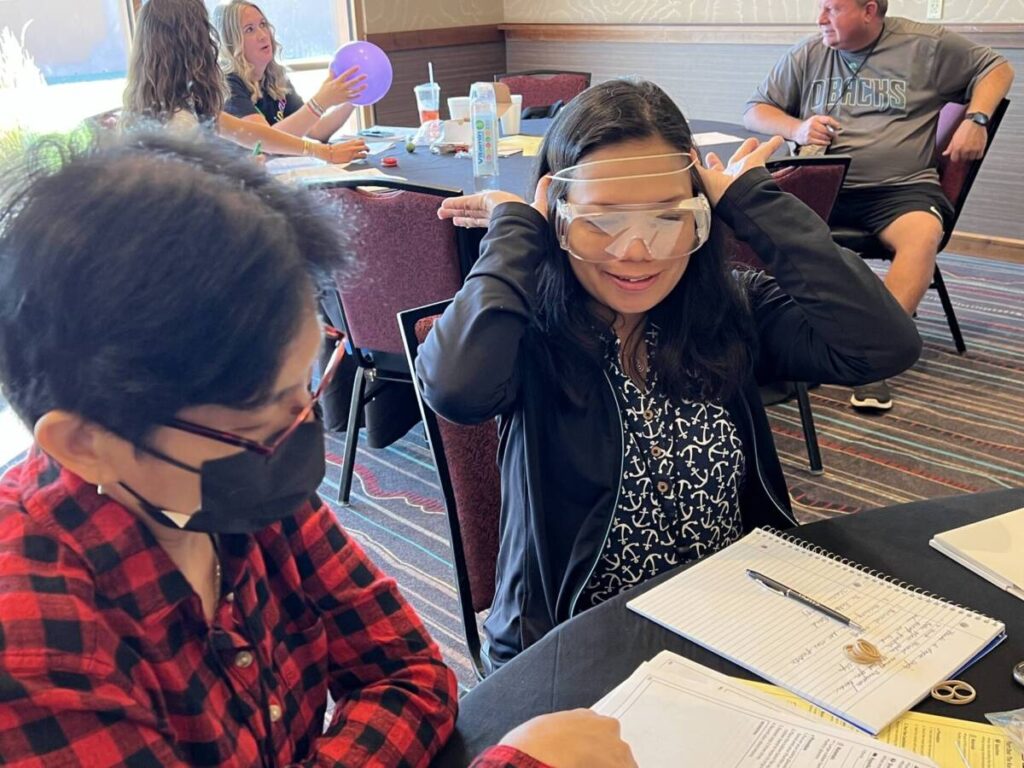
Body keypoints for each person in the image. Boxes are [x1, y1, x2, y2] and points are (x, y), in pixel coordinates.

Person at [0, 133, 637, 768]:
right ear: (86, 444)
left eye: (302, 388)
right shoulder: (32, 643)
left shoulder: (231, 482)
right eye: (262, 415)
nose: (300, 430)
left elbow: (413, 675)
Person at [416, 78, 922, 672]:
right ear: (559, 217)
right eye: (601, 220)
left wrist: (750, 200)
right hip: (577, 641)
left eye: (667, 217)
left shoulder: (725, 307)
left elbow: (882, 346)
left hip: (737, 620)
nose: (638, 251)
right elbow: (455, 388)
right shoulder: (529, 328)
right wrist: (515, 229)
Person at [743, 0, 1014, 411]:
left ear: (869, 10)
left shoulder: (925, 45)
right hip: (823, 183)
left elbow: (997, 68)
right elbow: (755, 110)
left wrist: (976, 120)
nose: (820, 19)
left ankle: (876, 357)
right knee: (754, 218)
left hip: (899, 189)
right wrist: (797, 127)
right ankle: (779, 341)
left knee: (921, 235)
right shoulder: (808, 52)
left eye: (831, 9)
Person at [123, 0, 367, 164]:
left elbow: (254, 136)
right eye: (249, 29)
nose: (208, 42)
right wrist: (320, 105)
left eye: (263, 25)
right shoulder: (186, 116)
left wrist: (325, 150)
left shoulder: (182, 103)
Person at [217, 0, 364, 143]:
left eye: (263, 24)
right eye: (249, 29)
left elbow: (317, 131)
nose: (263, 35)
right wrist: (321, 100)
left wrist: (354, 97)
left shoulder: (275, 79)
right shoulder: (228, 85)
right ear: (231, 42)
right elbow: (264, 143)